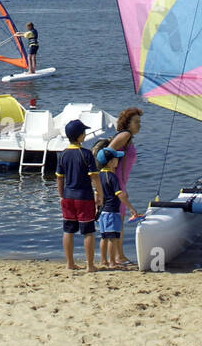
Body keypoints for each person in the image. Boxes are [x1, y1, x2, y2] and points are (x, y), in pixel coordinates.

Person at [55, 119, 103, 273]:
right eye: (84, 132)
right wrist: (100, 194)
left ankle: (70, 263)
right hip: (84, 197)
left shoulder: (62, 154)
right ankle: (90, 265)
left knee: (68, 230)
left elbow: (59, 178)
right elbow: (94, 177)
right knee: (88, 231)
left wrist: (61, 196)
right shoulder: (86, 154)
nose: (85, 134)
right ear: (80, 136)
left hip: (68, 196)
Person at [106, 107, 142, 265]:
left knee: (119, 220)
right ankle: (117, 257)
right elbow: (106, 153)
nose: (139, 125)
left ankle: (119, 255)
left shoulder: (128, 138)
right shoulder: (125, 135)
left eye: (139, 122)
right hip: (117, 182)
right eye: (136, 122)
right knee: (118, 220)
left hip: (121, 182)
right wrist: (111, 171)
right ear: (127, 123)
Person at [96, 144, 140, 268]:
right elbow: (120, 194)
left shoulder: (99, 176)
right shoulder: (112, 177)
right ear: (110, 162)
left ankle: (103, 260)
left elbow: (97, 194)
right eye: (116, 158)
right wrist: (130, 208)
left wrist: (97, 207)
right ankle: (112, 262)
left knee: (104, 237)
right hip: (112, 211)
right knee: (113, 238)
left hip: (103, 212)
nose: (118, 160)